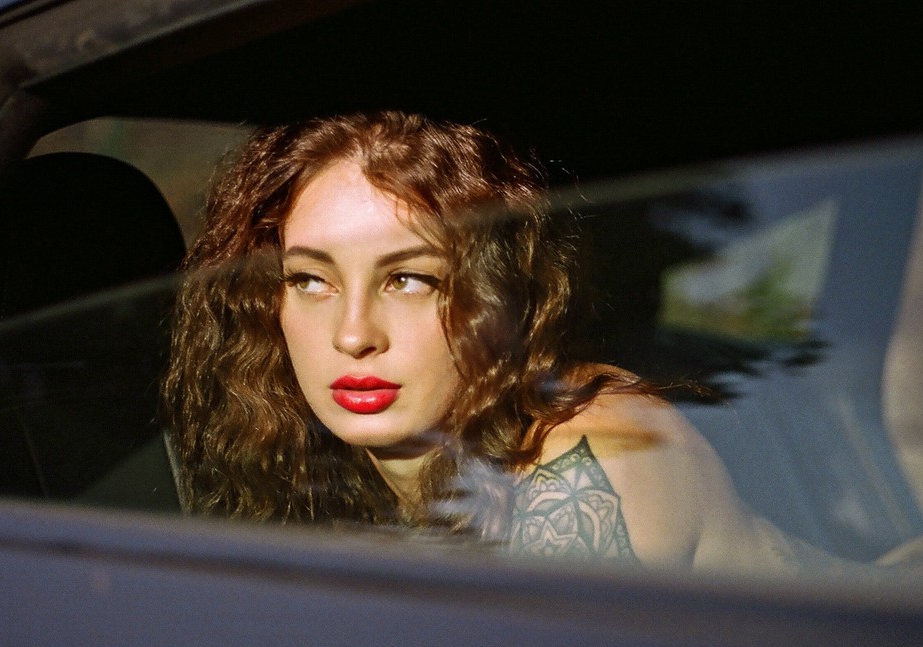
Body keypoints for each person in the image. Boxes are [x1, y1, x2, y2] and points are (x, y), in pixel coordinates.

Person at [161, 111, 812, 572]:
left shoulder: (588, 458)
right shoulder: (341, 478)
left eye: (409, 280)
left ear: (498, 292)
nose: (353, 334)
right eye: (310, 280)